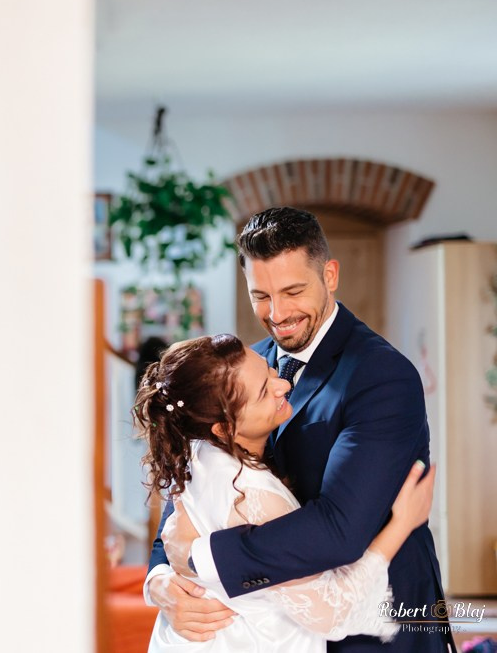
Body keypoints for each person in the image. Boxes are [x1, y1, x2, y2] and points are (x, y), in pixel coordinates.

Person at [144, 207, 453, 652]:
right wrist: (161, 581)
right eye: (261, 295)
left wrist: (199, 559)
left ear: (329, 275)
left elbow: (339, 530)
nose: (278, 313)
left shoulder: (381, 376)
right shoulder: (241, 367)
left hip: (376, 627)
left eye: (293, 291)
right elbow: (185, 492)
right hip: (277, 629)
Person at [134, 334, 435, 651]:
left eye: (270, 372)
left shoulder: (197, 449)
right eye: (264, 392)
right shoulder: (251, 494)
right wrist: (403, 522)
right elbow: (330, 612)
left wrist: (180, 566)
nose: (284, 386)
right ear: (222, 427)